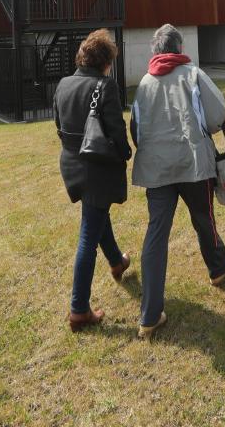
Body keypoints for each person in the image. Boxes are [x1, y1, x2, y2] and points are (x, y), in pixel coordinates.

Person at [130, 23, 225, 340]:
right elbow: (218, 115)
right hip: (193, 164)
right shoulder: (193, 73)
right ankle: (218, 268)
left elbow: (136, 130)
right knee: (203, 218)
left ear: (155, 50)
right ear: (178, 47)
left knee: (156, 234)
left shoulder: (145, 83)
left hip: (157, 170)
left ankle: (149, 315)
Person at [54, 29, 134, 332]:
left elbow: (59, 126)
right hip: (97, 167)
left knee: (96, 214)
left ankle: (116, 261)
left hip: (72, 164)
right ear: (105, 61)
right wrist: (125, 152)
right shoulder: (105, 86)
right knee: (88, 234)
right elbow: (115, 128)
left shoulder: (63, 84)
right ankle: (78, 309)